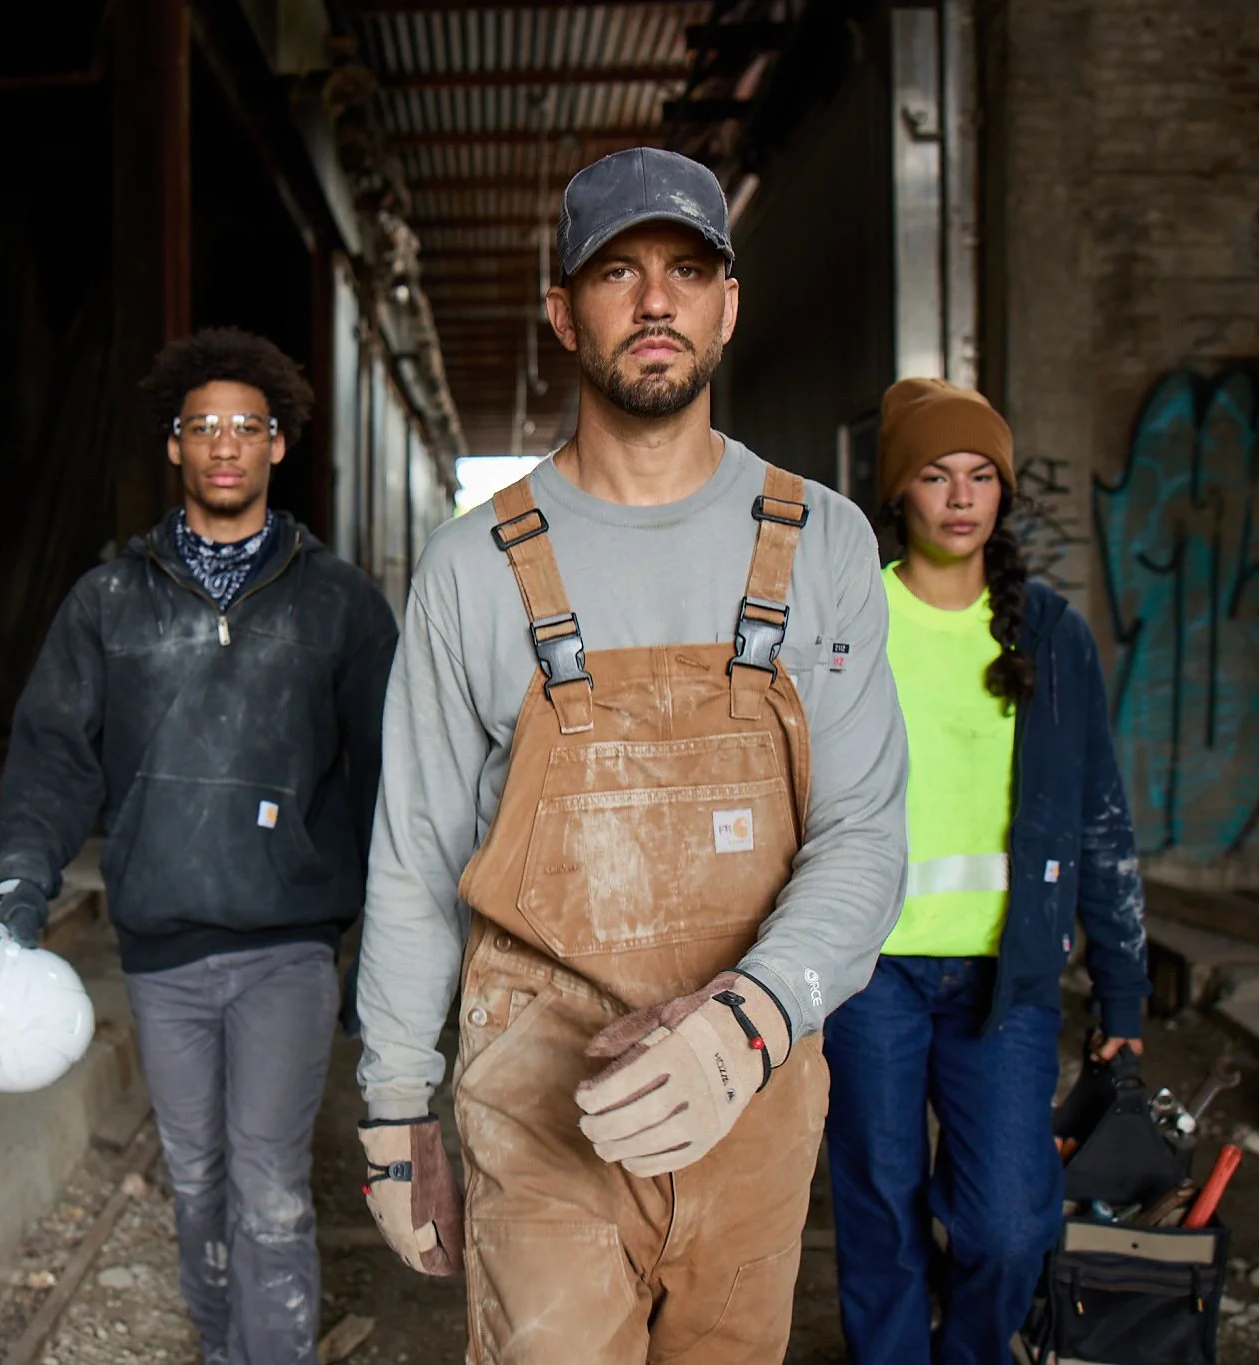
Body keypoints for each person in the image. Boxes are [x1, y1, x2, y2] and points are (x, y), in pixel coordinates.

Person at [351, 147, 909, 1363]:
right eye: (616, 271)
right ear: (563, 311)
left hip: (749, 1102)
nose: (654, 301)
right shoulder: (470, 569)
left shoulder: (822, 545)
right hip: (537, 1098)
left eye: (686, 268)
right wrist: (394, 1110)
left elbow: (864, 832)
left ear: (726, 303)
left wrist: (756, 1018)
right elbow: (414, 855)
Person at [0, 327, 399, 1365]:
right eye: (200, 426)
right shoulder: (108, 603)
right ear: (173, 445)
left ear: (277, 446)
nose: (222, 446)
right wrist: (16, 893)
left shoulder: (335, 602)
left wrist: (387, 949)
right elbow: (53, 760)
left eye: (244, 428)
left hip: (285, 948)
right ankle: (223, 1351)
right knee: (198, 1180)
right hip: (162, 951)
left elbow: (393, 777)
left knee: (265, 1184)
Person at [821, 378, 1150, 1365]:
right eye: (934, 475)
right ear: (898, 495)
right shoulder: (847, 629)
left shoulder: (1047, 634)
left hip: (1003, 983)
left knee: (1006, 1226)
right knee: (877, 1210)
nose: (960, 498)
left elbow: (1098, 816)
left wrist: (1122, 1000)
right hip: (867, 975)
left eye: (979, 477)